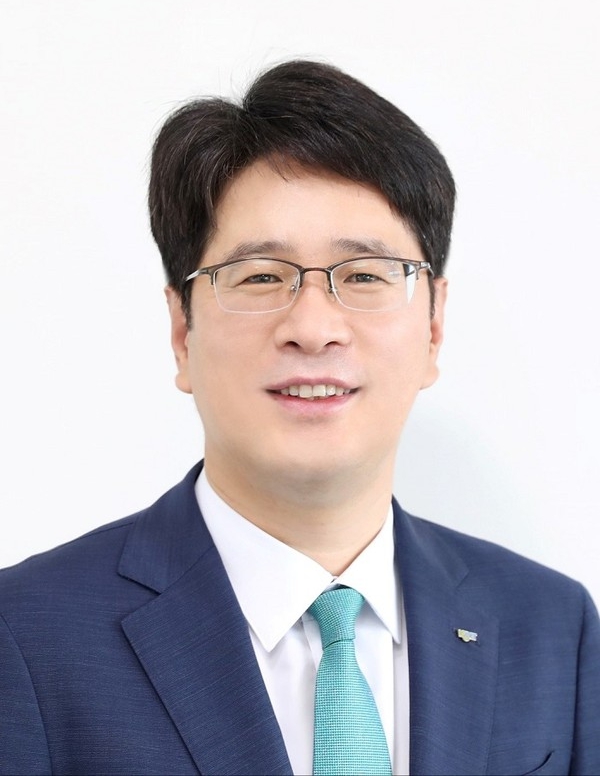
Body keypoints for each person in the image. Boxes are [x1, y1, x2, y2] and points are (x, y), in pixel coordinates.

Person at [0, 59, 598, 776]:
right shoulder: (26, 636)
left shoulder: (553, 629)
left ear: (434, 327)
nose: (313, 329)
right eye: (260, 277)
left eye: (365, 275)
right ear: (182, 332)